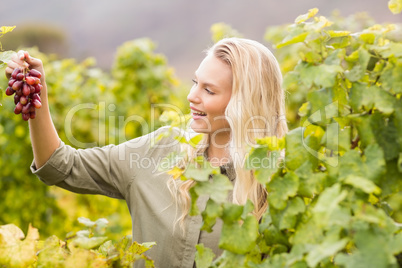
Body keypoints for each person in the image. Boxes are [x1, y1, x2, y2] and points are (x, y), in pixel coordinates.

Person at [5, 37, 288, 267]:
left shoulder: (279, 181)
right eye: (194, 82)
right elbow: (59, 166)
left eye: (209, 91)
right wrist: (36, 93)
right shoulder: (158, 151)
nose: (192, 96)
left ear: (245, 103)